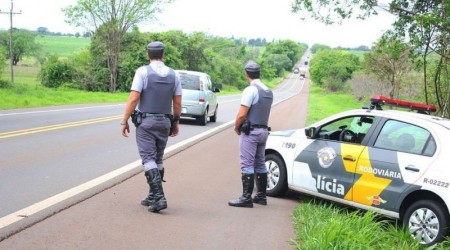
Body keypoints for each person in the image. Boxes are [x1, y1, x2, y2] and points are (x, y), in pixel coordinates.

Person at [121, 41, 182, 213]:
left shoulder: (142, 72)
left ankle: (159, 197)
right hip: (164, 122)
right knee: (158, 159)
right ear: (163, 54)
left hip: (146, 123)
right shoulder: (174, 75)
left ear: (148, 54)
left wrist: (124, 120)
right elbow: (177, 102)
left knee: (148, 158)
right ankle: (152, 196)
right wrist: (175, 122)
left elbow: (133, 98)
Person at [228, 60, 273, 208]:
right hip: (264, 131)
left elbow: (242, 114)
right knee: (260, 163)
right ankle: (261, 196)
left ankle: (246, 198)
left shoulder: (251, 90)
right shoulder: (268, 90)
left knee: (246, 164)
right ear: (259, 73)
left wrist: (237, 127)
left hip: (251, 132)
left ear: (246, 74)